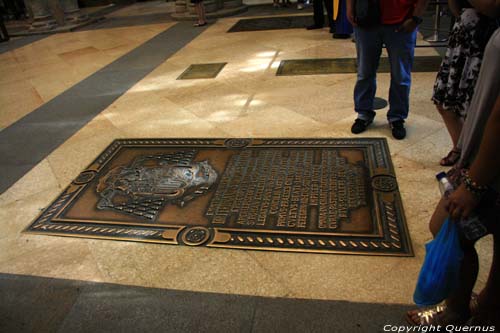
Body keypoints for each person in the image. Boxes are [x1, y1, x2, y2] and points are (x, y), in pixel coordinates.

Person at [407, 24, 500, 327]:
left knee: (448, 227)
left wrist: (473, 184)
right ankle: (484, 307)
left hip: (490, 166)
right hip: (484, 157)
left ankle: (457, 313)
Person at [346, 0, 430, 139]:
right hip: (366, 19)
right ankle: (363, 113)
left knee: (400, 75)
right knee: (364, 72)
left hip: (402, 21)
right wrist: (350, 8)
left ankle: (397, 117)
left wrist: (415, 18)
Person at [433, 0, 498, 166]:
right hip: (464, 35)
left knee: (477, 106)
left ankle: (473, 157)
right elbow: (456, 9)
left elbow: (492, 8)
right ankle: (460, 148)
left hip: (486, 39)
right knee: (444, 100)